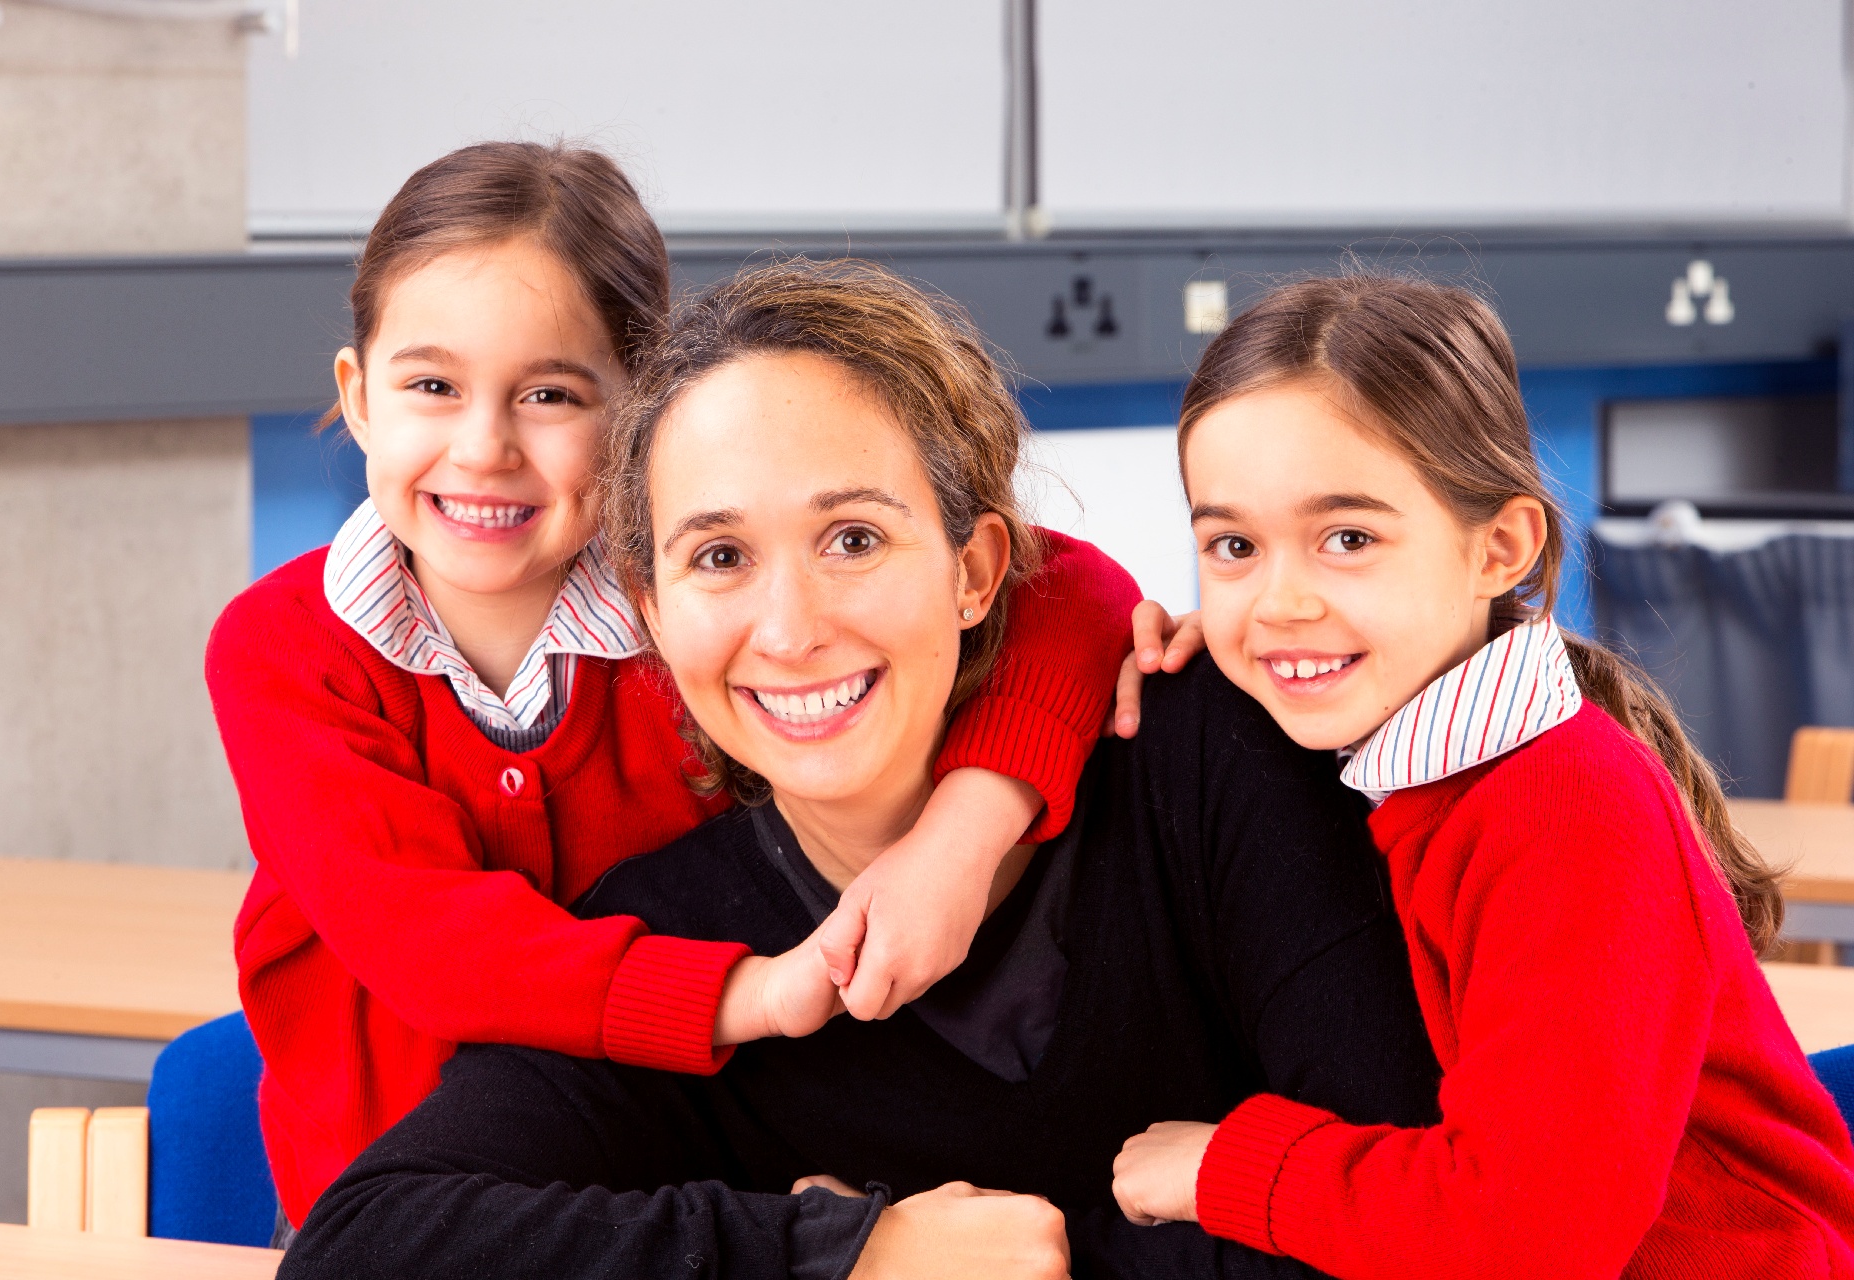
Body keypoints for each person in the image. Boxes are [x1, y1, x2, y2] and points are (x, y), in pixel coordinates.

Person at [277, 259, 1444, 1280]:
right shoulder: (674, 946)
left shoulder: (1215, 758)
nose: (788, 629)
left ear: (978, 569)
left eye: (853, 539)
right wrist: (835, 1253)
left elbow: (1417, 1230)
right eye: (720, 556)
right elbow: (363, 1245)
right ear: (651, 609)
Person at [204, 142, 1150, 1232]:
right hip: (427, 1220)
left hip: (701, 1209)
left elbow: (1062, 583)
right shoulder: (280, 649)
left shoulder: (706, 609)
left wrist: (962, 833)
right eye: (431, 386)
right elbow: (431, 946)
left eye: (551, 393)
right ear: (358, 396)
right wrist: (751, 992)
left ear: (638, 410)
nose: (484, 447)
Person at [1110, 275, 1854, 1278]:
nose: (1280, 598)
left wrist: (1225, 1165)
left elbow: (1528, 1234)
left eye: (1348, 539)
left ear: (1499, 547)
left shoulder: (1564, 810)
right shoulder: (1419, 762)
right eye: (1234, 546)